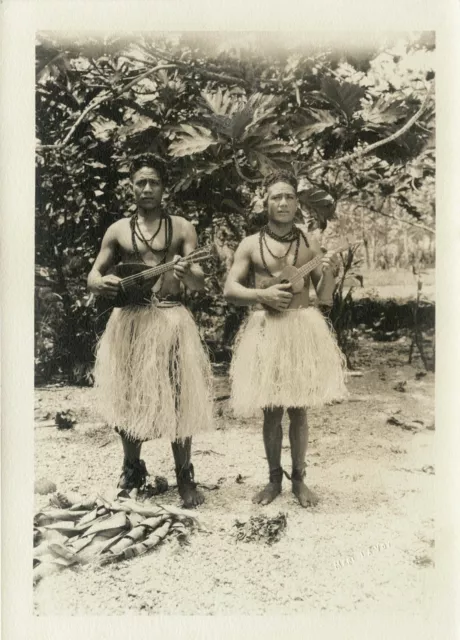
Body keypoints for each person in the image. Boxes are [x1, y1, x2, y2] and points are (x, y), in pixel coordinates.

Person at [87, 155, 213, 508]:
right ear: (131, 186)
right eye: (140, 182)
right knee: (128, 394)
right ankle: (132, 470)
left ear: (164, 188)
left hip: (172, 320)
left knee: (179, 395)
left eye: (153, 182)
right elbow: (93, 275)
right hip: (129, 322)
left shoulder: (183, 228)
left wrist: (188, 272)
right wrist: (101, 283)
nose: (146, 189)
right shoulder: (117, 230)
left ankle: (185, 476)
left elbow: (200, 283)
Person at [224, 170, 347, 508]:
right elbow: (230, 290)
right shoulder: (250, 244)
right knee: (271, 410)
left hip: (300, 328)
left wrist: (332, 273)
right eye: (276, 196)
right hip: (266, 329)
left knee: (299, 409)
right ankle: (273, 479)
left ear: (297, 203)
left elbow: (323, 298)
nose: (283, 202)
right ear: (265, 202)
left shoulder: (309, 242)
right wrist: (260, 297)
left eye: (289, 196)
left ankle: (300, 480)